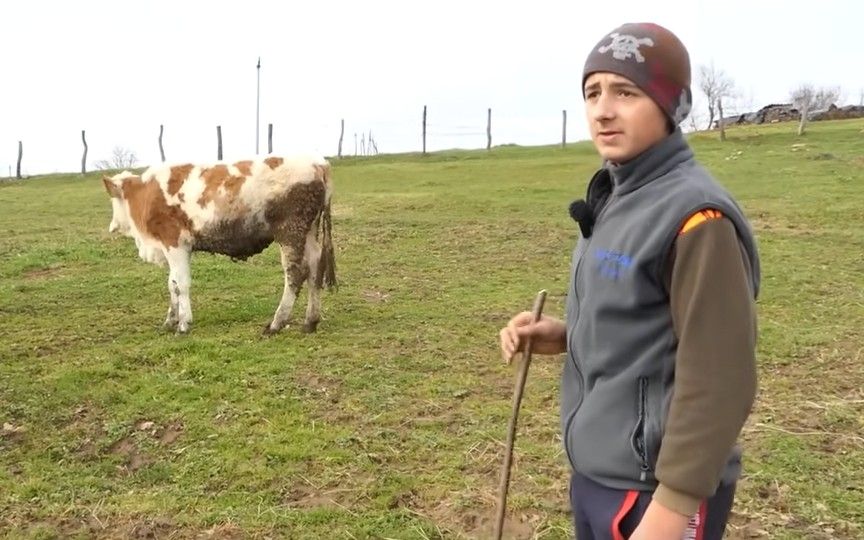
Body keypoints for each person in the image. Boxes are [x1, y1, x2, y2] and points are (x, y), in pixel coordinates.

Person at [499, 22, 760, 540]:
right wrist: (565, 333)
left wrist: (673, 509)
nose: (602, 109)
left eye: (626, 91)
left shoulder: (696, 217)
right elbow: (643, 318)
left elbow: (721, 377)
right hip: (599, 475)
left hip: (653, 494)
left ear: (671, 106)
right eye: (593, 92)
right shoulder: (617, 196)